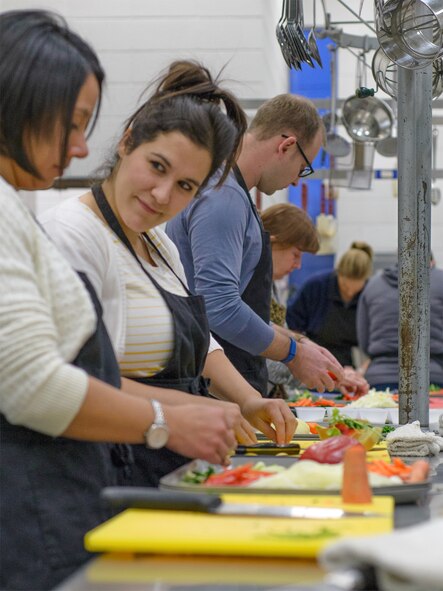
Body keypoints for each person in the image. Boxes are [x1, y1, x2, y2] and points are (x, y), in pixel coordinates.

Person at [0, 11, 240, 590]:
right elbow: (32, 383)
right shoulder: (33, 220)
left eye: (185, 186)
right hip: (32, 516)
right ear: (17, 101)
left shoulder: (16, 209)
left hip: (62, 503)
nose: (82, 147)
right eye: (72, 123)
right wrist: (166, 421)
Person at [41, 60, 297, 487]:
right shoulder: (75, 236)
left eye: (186, 186)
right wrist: (179, 412)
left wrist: (249, 400)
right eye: (157, 166)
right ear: (127, 143)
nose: (162, 195)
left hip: (166, 466)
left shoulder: (158, 243)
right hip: (102, 470)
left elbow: (201, 344)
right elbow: (71, 381)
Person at [166, 93, 345, 397]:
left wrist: (300, 343)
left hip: (224, 380)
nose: (296, 181)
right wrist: (293, 354)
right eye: (302, 167)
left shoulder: (231, 194)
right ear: (286, 146)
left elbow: (238, 310)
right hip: (212, 386)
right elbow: (219, 307)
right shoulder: (223, 198)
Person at [261, 204, 369, 398]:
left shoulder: (270, 286)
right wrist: (316, 367)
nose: (298, 264)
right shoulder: (252, 285)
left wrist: (332, 375)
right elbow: (260, 349)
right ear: (272, 241)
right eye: (295, 254)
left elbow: (280, 336)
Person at [357, 256, 443, 390]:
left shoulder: (373, 284)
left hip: (379, 378)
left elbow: (363, 339)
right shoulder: (440, 280)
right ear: (431, 262)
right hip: (431, 377)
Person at [286, 241, 374, 368]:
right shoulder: (315, 287)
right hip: (313, 359)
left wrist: (362, 371)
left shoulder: (371, 295)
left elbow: (378, 342)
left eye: (355, 291)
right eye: (344, 286)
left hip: (352, 365)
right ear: (338, 273)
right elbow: (291, 327)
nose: (349, 293)